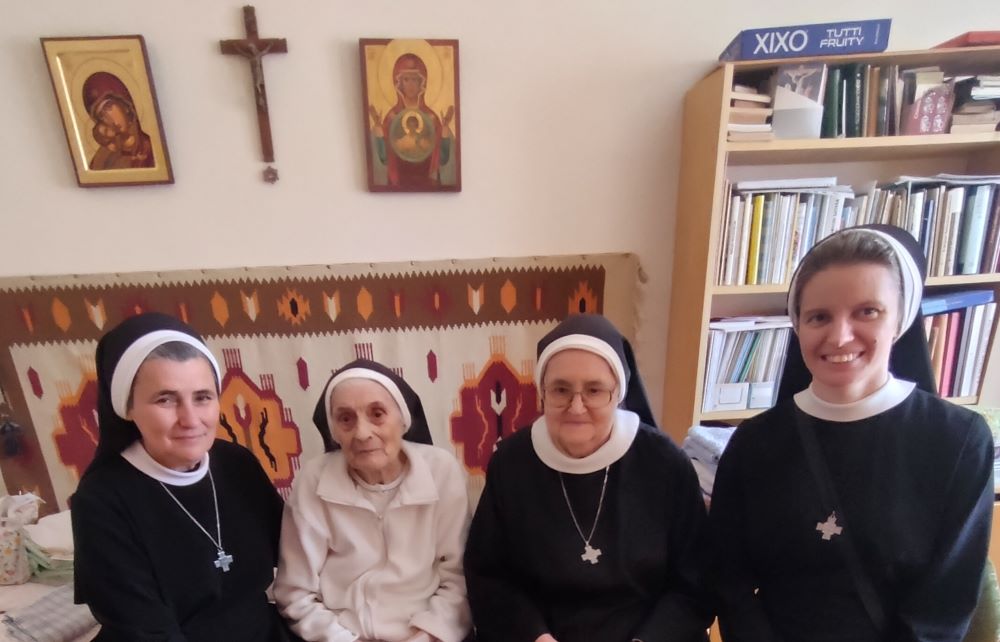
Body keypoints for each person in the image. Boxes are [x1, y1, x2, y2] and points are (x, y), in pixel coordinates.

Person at [708, 225, 995, 641]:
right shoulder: (754, 443)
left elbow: (945, 603)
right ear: (798, 326)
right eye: (819, 316)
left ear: (899, 319)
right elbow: (729, 580)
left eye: (867, 311)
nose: (840, 335)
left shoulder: (958, 441)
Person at [464, 314, 713, 642]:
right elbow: (489, 576)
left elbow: (695, 582)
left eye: (594, 390)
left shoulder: (665, 463)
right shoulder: (510, 463)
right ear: (542, 393)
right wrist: (535, 637)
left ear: (618, 394)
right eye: (561, 390)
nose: (576, 407)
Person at [71, 312, 295, 641]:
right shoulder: (102, 500)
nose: (190, 419)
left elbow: (299, 551)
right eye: (166, 399)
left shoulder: (237, 463)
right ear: (128, 407)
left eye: (203, 397)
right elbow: (145, 629)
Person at [274, 359, 471, 642]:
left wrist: (427, 637)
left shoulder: (442, 472)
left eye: (377, 414)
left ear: (403, 420)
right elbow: (295, 592)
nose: (362, 433)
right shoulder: (312, 481)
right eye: (345, 419)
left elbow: (459, 579)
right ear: (333, 430)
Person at [367, 53, 455, 188]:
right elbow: (384, 159)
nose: (411, 85)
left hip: (428, 184)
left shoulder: (431, 118)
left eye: (415, 80)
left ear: (422, 83)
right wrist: (379, 128)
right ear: (399, 83)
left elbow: (442, 159)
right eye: (406, 80)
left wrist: (444, 128)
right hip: (398, 183)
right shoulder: (392, 117)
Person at [82, 72, 155, 170]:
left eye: (108, 107)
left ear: (125, 106)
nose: (107, 119)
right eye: (101, 116)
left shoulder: (153, 149)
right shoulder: (101, 160)